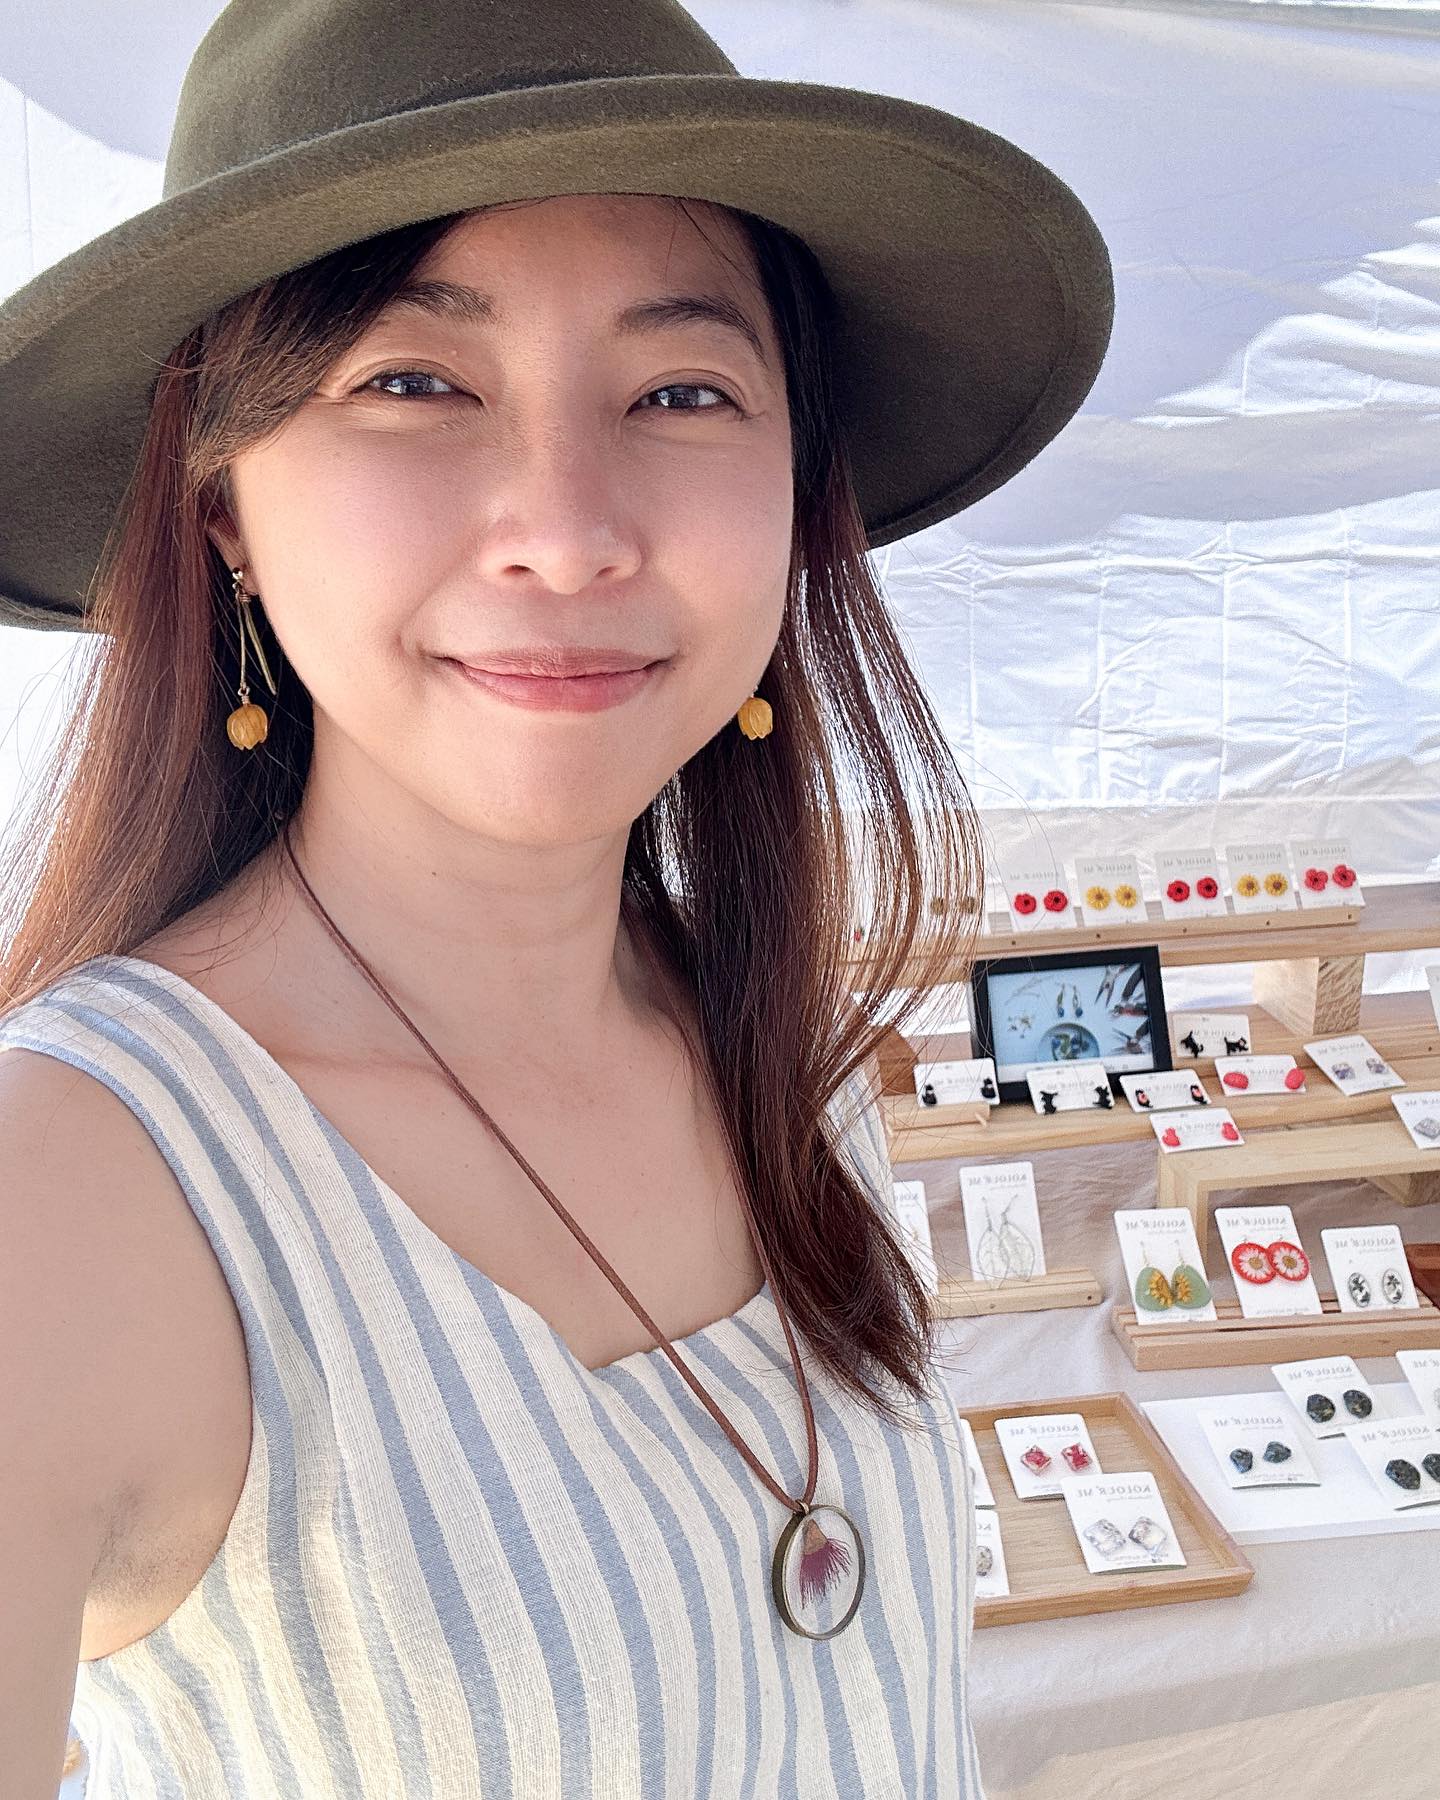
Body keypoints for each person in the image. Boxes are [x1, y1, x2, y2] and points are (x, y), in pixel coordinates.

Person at [0, 0, 1112, 1794]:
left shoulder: (782, 1048)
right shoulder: (72, 1191)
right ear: (222, 505)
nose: (571, 529)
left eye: (683, 393)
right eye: (414, 383)